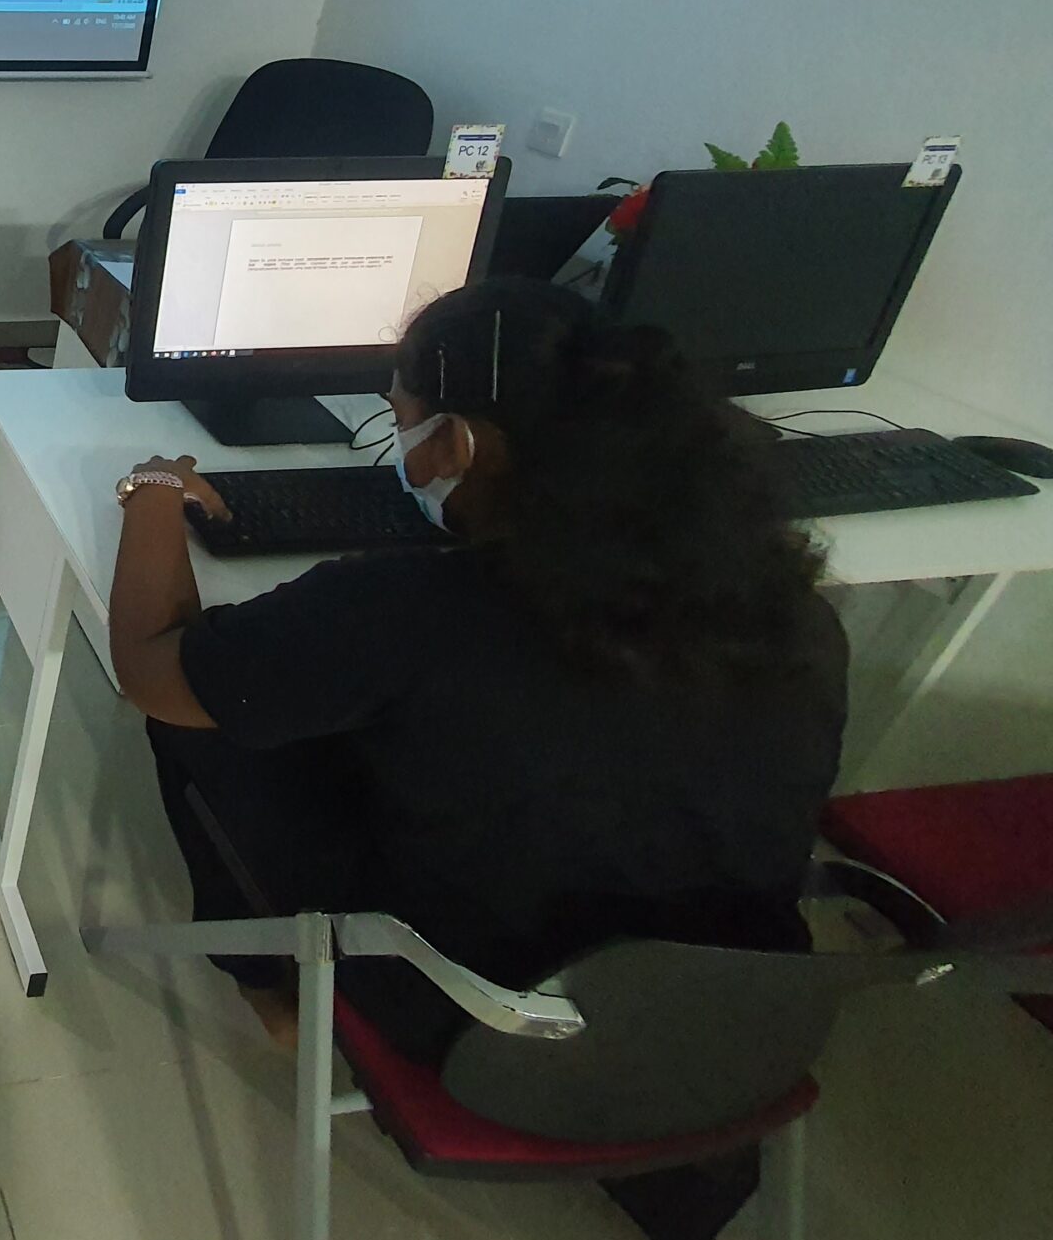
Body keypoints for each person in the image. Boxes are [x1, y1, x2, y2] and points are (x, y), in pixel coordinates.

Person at [107, 277, 846, 1063]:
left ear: (460, 445)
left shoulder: (411, 610)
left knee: (205, 718)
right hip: (735, 1030)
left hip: (490, 1036)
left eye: (401, 420)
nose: (402, 444)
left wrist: (154, 492)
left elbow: (151, 664)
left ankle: (271, 987)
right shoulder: (794, 615)